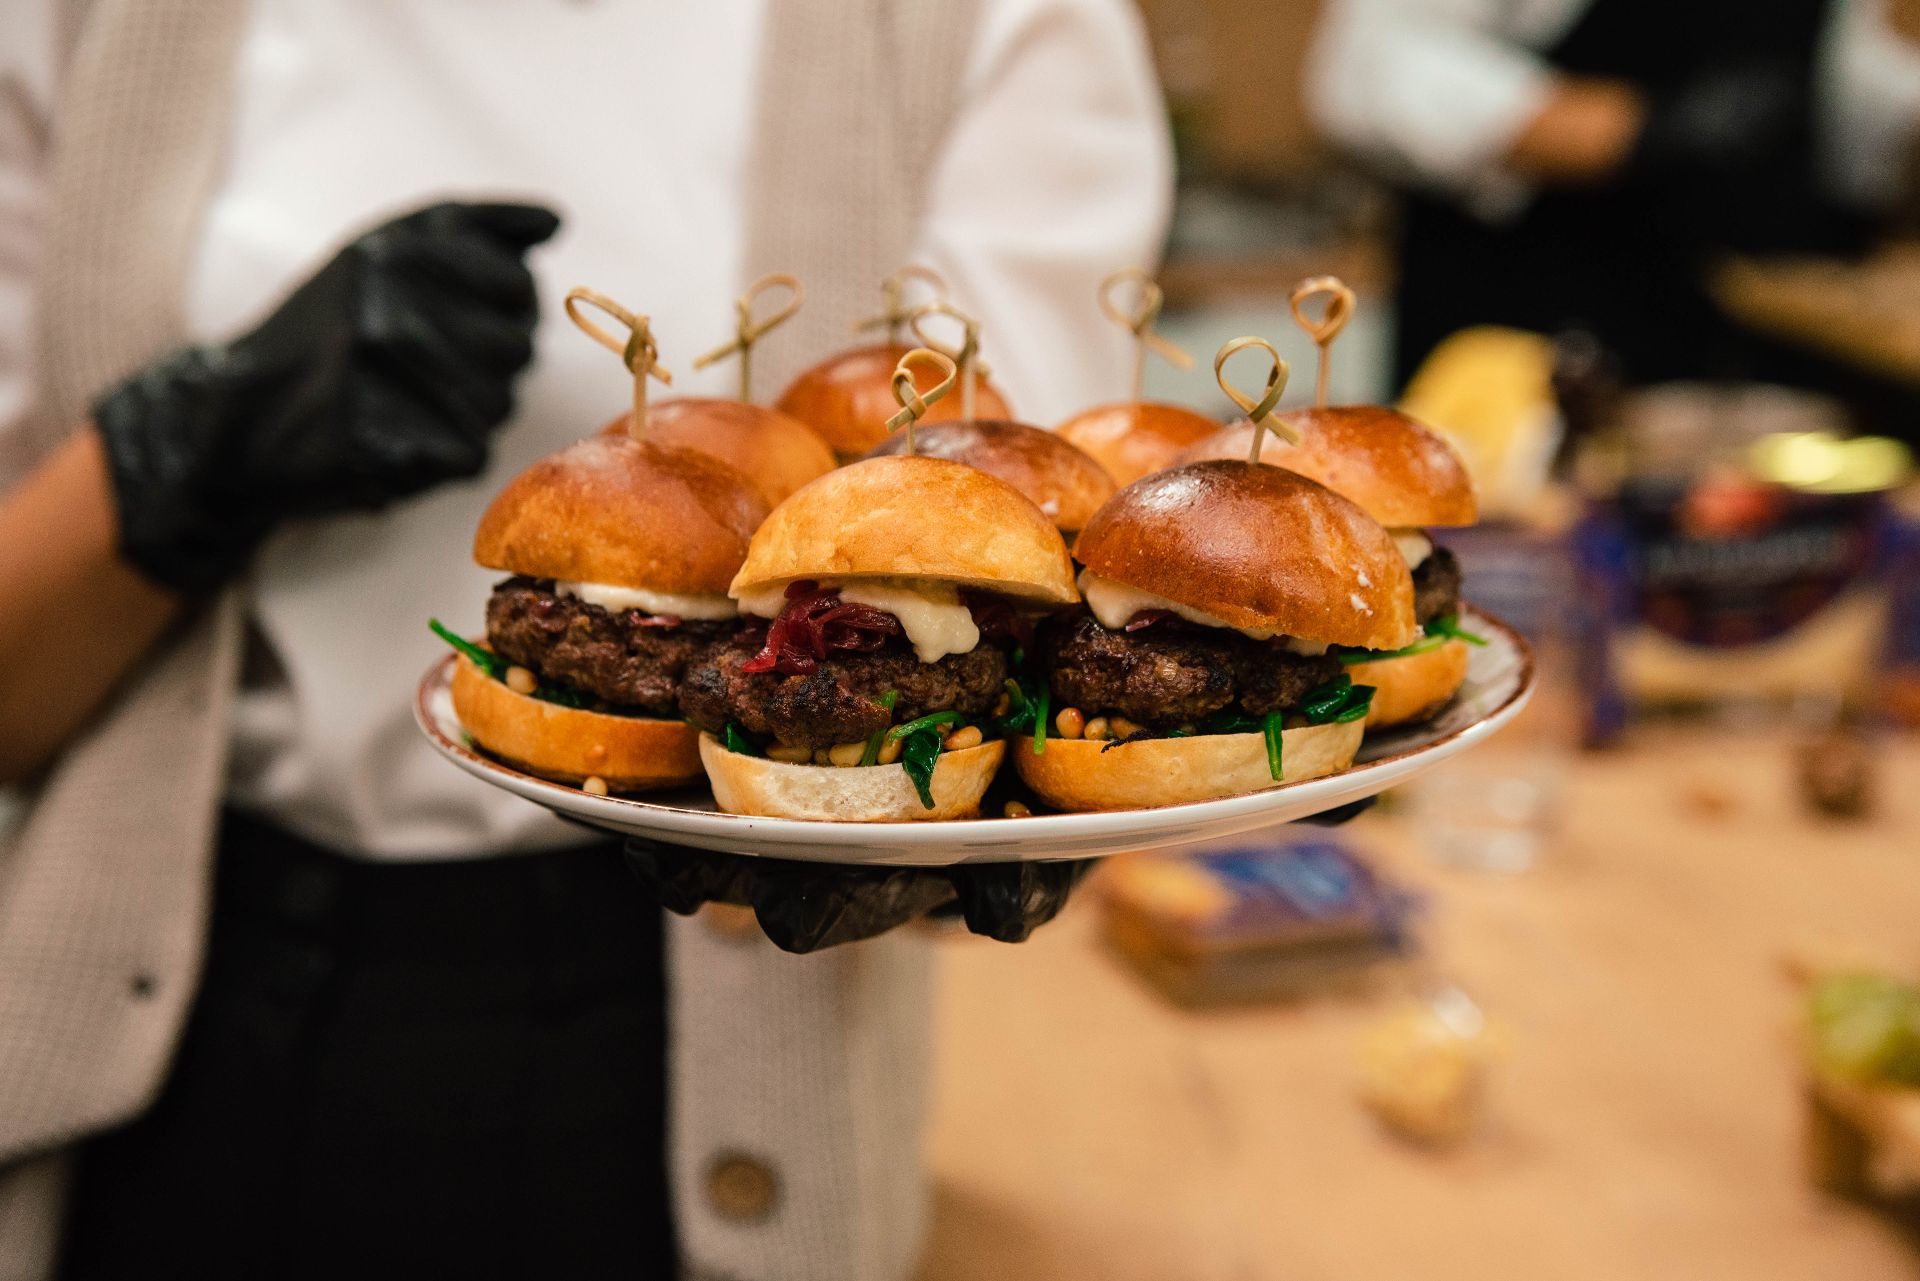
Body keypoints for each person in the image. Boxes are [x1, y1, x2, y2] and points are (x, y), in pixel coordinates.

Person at [0, 2, 1172, 1277]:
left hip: (696, 1045)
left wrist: (962, 825)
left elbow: (1040, 572)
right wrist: (182, 455)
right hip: (169, 1011)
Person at [1307, 0, 1920, 387]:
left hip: (1755, 345)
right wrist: (1641, 128)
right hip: (1540, 316)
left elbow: (1849, 77)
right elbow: (1371, 69)